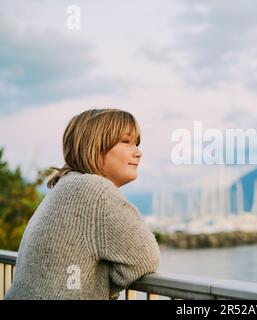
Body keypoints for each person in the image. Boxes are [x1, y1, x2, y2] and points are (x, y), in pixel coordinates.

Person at [5, 108, 160, 300]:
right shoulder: (93, 190)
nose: (138, 152)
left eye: (137, 143)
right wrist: (100, 282)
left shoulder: (66, 185)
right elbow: (145, 259)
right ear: (94, 146)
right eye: (126, 141)